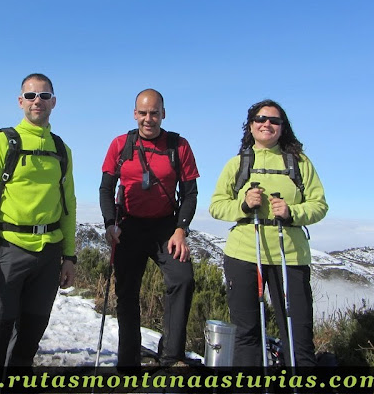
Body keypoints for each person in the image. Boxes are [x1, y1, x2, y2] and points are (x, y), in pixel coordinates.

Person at [209, 99, 328, 367]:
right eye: (261, 119)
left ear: (282, 127)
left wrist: (291, 212)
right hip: (244, 254)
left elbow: (319, 205)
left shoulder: (299, 163)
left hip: (291, 256)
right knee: (247, 331)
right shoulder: (238, 163)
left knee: (298, 332)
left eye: (274, 120)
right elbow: (216, 206)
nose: (267, 124)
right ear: (250, 126)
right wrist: (242, 204)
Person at [0, 73, 77, 367]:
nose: (37, 102)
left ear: (53, 102)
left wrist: (69, 257)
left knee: (27, 345)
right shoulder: (1, 144)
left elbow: (68, 207)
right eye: (30, 96)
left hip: (49, 255)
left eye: (43, 96)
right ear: (20, 102)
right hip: (8, 252)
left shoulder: (61, 150)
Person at [99, 88, 199, 367]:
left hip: (166, 227)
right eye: (143, 113)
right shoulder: (120, 145)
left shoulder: (179, 146)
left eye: (154, 113)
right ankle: (128, 363)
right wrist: (110, 225)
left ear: (163, 114)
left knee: (182, 280)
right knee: (127, 292)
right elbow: (106, 189)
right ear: (134, 114)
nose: (148, 119)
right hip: (129, 225)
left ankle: (170, 356)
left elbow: (190, 193)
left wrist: (181, 230)